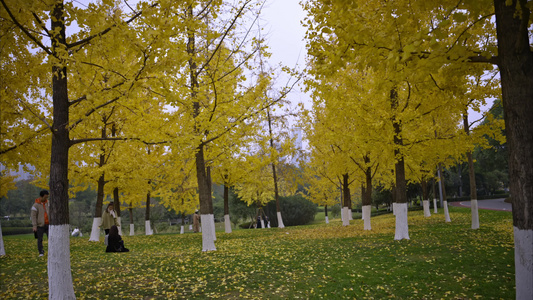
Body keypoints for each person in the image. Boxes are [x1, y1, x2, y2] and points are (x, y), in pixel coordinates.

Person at [31, 190, 49, 257]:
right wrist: (34, 225)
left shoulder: (48, 203)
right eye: (45, 197)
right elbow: (33, 216)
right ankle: (41, 252)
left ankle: (51, 251)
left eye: (47, 197)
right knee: (40, 239)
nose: (46, 199)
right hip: (40, 225)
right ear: (41, 196)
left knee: (51, 238)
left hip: (48, 224)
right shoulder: (35, 205)